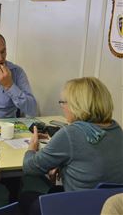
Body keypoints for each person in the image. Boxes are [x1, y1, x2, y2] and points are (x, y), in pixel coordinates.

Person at [20, 77, 123, 215]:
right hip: (110, 206)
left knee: (25, 198)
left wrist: (32, 147)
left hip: (79, 206)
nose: (62, 107)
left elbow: (30, 168)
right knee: (52, 191)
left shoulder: (70, 133)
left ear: (77, 105)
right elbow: (89, 156)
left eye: (63, 102)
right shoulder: (116, 128)